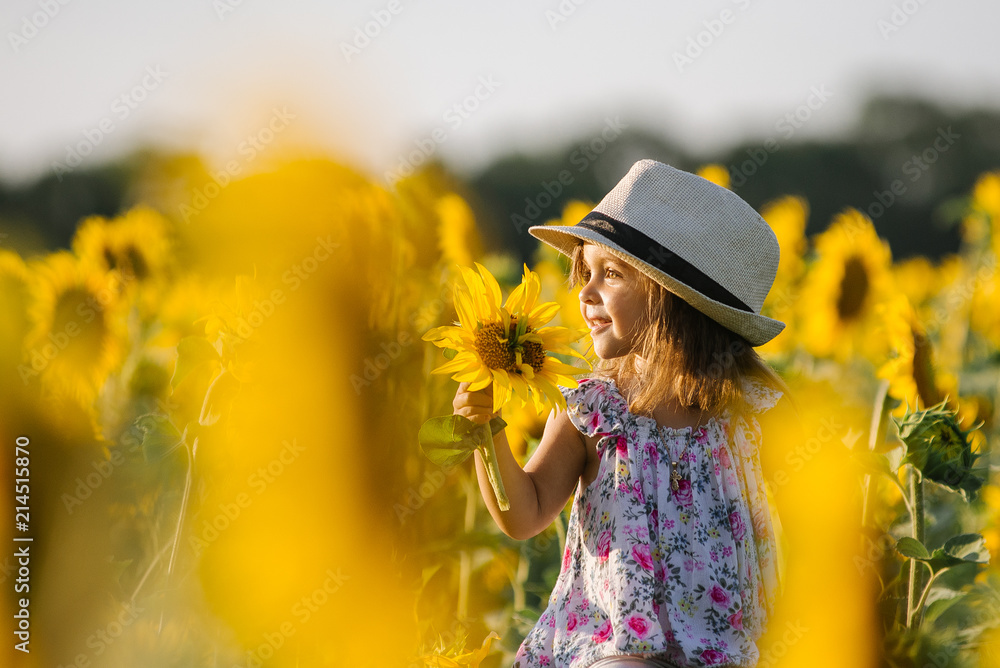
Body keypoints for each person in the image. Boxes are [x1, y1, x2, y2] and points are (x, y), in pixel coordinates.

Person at [452, 159, 799, 667]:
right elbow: (523, 513)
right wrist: (487, 429)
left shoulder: (752, 411)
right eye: (584, 272)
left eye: (610, 274)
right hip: (615, 645)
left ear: (673, 300)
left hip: (730, 646)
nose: (586, 293)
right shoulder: (595, 407)